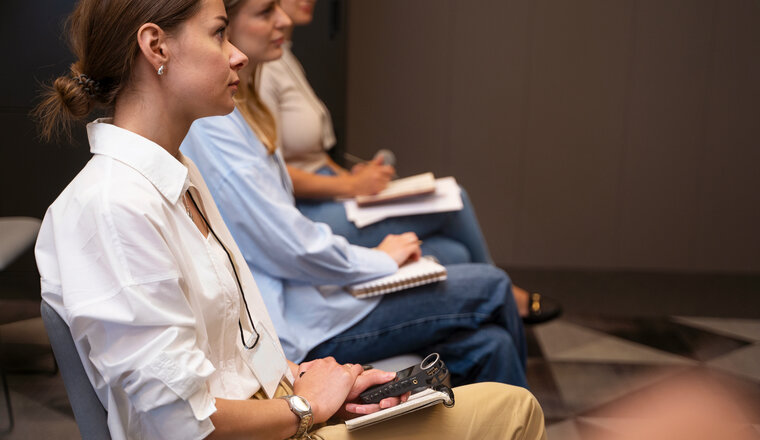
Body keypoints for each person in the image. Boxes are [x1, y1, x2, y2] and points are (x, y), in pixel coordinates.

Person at [33, 0, 547, 438]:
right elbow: (180, 421)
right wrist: (306, 407)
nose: (236, 54)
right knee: (514, 408)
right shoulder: (111, 206)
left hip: (279, 414)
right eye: (218, 33)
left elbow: (229, 355)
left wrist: (310, 382)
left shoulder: (176, 173)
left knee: (486, 374)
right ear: (156, 47)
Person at [182, 0, 529, 390]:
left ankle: (506, 417)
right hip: (297, 323)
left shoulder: (245, 107)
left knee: (493, 344)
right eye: (264, 12)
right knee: (493, 285)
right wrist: (380, 260)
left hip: (311, 297)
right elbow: (289, 245)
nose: (284, 19)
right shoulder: (214, 124)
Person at [259, 0, 560, 322]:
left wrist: (352, 177)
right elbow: (273, 171)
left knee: (455, 251)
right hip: (307, 211)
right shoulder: (262, 71)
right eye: (266, 10)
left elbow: (312, 156)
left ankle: (479, 311)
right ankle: (502, 294)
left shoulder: (285, 56)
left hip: (329, 192)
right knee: (453, 199)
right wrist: (351, 185)